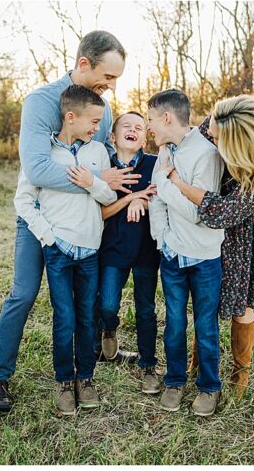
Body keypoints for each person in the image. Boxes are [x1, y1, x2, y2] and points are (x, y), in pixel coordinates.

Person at [0, 30, 137, 414]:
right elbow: (36, 170)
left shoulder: (102, 112)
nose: (112, 87)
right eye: (108, 76)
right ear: (84, 64)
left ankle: (87, 366)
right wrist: (93, 184)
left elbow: (102, 160)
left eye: (116, 79)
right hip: (38, 219)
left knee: (81, 305)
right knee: (23, 293)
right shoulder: (40, 101)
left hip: (80, 227)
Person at [162, 95, 254, 398]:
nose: (210, 138)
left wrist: (178, 184)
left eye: (217, 139)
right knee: (208, 300)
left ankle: (239, 376)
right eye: (211, 132)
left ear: (238, 143)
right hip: (206, 225)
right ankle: (198, 364)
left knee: (241, 305)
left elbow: (229, 212)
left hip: (246, 231)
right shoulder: (212, 124)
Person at [13, 85, 119, 416]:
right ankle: (63, 381)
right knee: (65, 317)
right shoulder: (43, 154)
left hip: (89, 250)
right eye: (94, 121)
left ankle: (85, 378)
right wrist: (47, 237)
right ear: (70, 117)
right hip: (57, 250)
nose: (98, 127)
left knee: (87, 317)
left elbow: (110, 197)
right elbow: (23, 201)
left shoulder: (97, 153)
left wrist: (93, 182)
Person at [146, 89, 225, 417]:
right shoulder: (164, 152)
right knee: (175, 322)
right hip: (172, 255)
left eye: (151, 120)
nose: (149, 127)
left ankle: (209, 387)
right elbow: (155, 199)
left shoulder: (206, 155)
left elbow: (199, 211)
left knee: (205, 324)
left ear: (167, 118)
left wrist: (168, 186)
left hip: (205, 256)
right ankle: (175, 381)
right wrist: (161, 237)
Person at [94, 111, 159, 394]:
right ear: (112, 137)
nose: (133, 130)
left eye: (139, 128)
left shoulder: (155, 165)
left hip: (146, 250)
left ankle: (148, 364)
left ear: (145, 138)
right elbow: (101, 212)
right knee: (107, 304)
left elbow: (159, 194)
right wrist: (131, 198)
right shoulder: (104, 168)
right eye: (126, 126)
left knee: (146, 309)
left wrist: (143, 201)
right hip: (112, 250)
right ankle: (109, 331)